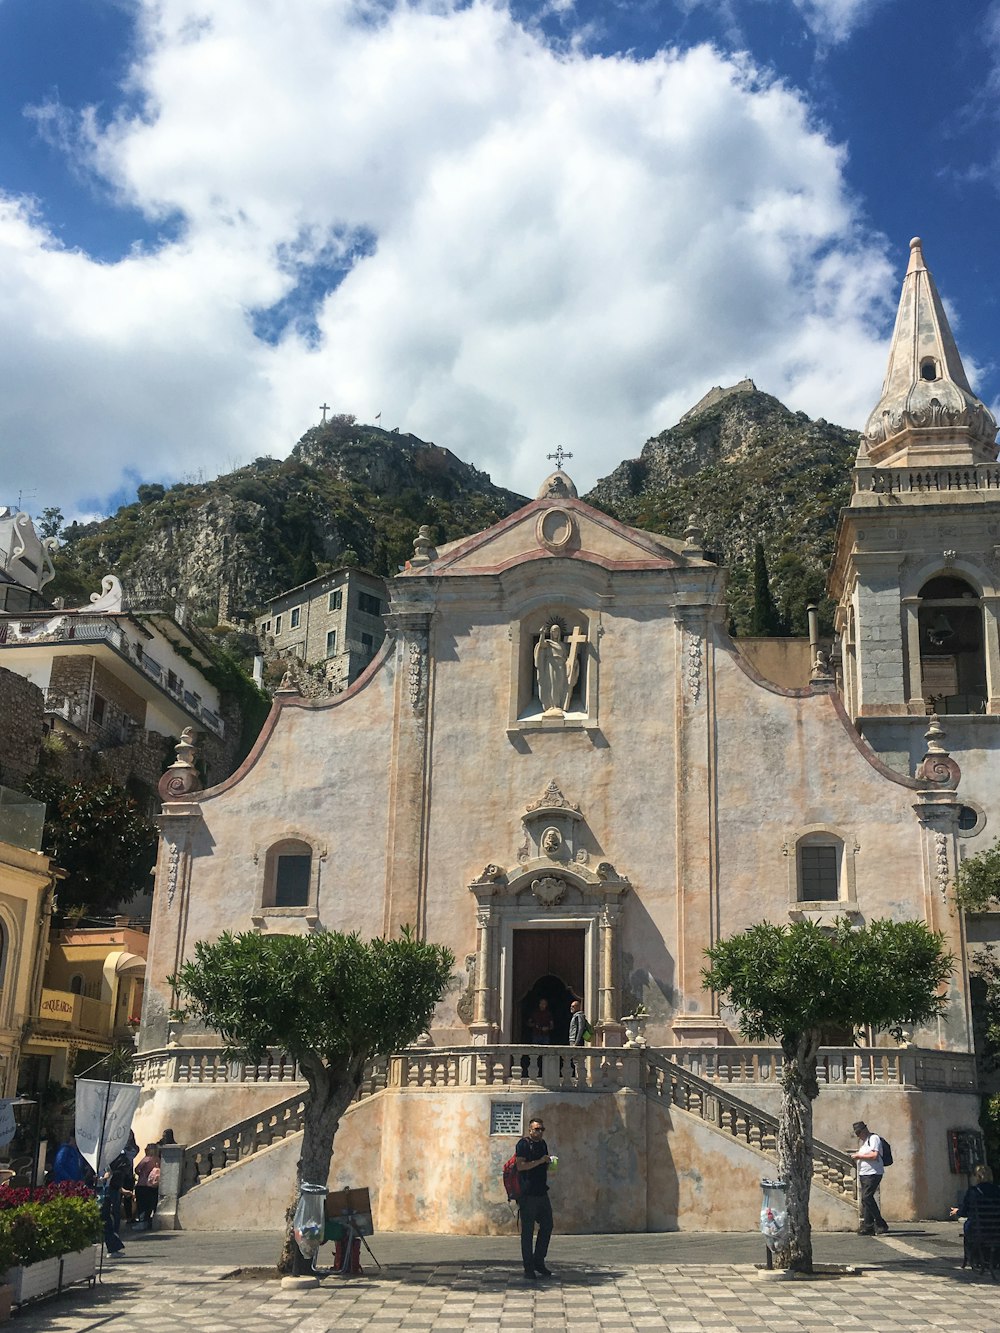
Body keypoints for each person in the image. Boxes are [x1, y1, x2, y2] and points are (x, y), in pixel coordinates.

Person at [515, 1117, 553, 1280]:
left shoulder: (542, 1144)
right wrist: (539, 1162)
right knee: (528, 1232)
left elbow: (542, 1164)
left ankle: (539, 1260)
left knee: (547, 1226)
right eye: (537, 1129)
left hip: (541, 1192)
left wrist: (549, 1163)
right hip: (528, 1194)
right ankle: (528, 1267)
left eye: (542, 1129)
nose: (539, 1132)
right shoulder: (523, 1145)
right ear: (530, 1130)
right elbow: (520, 1166)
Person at [950, 1163, 1000, 1268]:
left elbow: (964, 1212)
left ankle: (973, 1259)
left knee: (969, 1228)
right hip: (996, 1229)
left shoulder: (973, 1191)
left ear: (977, 1177)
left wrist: (957, 1211)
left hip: (977, 1229)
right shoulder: (997, 1190)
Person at [851, 1120, 889, 1235]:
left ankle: (881, 1223)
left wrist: (858, 1156)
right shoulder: (865, 1143)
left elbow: (874, 1155)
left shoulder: (874, 1139)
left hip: (873, 1173)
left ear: (864, 1130)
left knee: (867, 1197)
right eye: (857, 1134)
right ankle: (868, 1227)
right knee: (865, 1199)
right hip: (864, 1174)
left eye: (859, 1133)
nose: (858, 1136)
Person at [102, 1148, 135, 1255]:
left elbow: (113, 1181)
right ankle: (112, 1247)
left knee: (109, 1221)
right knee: (108, 1221)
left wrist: (122, 1189)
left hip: (107, 1193)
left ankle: (113, 1247)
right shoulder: (108, 1163)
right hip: (102, 1194)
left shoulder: (110, 1164)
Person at [133, 1144, 161, 1230]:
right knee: (150, 1205)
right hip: (153, 1185)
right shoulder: (158, 1159)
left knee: (142, 1205)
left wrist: (141, 1174)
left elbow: (137, 1169)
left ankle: (142, 1223)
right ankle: (149, 1222)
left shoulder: (146, 1159)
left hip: (143, 1184)